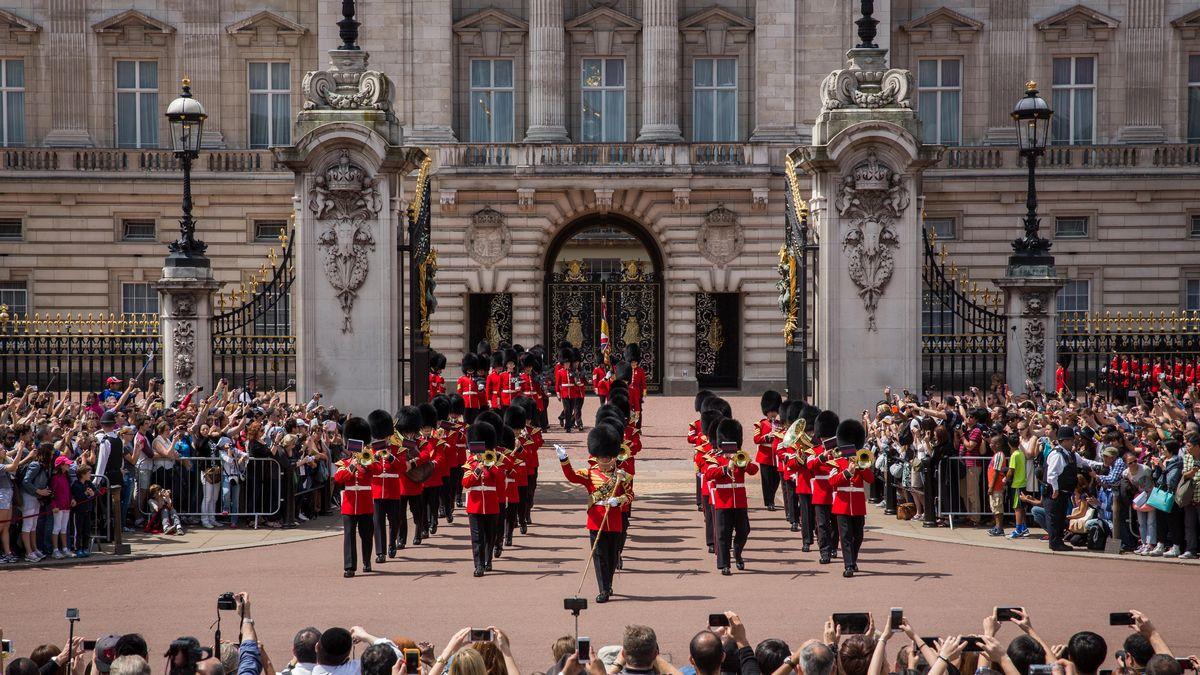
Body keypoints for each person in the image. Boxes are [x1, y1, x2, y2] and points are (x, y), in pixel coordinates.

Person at [556, 425, 629, 603]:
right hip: (596, 520)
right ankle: (603, 589)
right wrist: (564, 459)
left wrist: (617, 500)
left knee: (612, 557)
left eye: (607, 455)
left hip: (614, 520)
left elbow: (630, 495)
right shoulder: (589, 473)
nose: (604, 459)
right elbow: (572, 476)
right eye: (602, 455)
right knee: (599, 556)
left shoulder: (622, 475)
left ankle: (608, 584)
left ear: (613, 456)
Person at [705, 419, 758, 575]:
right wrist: (724, 468)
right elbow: (709, 474)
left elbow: (754, 470)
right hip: (723, 501)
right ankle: (724, 564)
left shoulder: (740, 456)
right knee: (723, 534)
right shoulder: (716, 458)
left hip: (740, 502)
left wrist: (744, 463)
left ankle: (738, 553)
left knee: (744, 530)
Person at [333, 417, 380, 577]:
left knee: (367, 535)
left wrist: (364, 463)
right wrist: (352, 465)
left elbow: (376, 469)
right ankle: (349, 566)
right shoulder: (343, 463)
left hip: (365, 503)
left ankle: (366, 561)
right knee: (349, 535)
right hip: (349, 504)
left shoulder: (368, 460)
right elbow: (339, 479)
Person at [828, 419, 874, 577]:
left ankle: (853, 560)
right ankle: (848, 565)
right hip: (842, 504)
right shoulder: (837, 462)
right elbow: (832, 481)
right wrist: (847, 472)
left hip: (858, 505)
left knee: (858, 536)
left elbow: (870, 479)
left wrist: (861, 468)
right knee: (846, 536)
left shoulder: (861, 461)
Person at [463, 422, 503, 576]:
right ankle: (479, 565)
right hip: (475, 506)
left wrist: (490, 465)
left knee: (490, 535)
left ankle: (488, 560)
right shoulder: (470, 464)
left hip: (491, 505)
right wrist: (478, 469)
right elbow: (465, 483)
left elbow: (500, 479)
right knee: (477, 537)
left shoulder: (493, 462)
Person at [366, 410, 403, 563]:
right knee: (378, 522)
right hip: (377, 491)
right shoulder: (370, 451)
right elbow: (367, 470)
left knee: (394, 521)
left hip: (393, 490)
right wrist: (374, 459)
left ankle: (392, 543)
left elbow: (401, 468)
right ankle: (380, 552)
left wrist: (391, 458)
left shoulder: (396, 449)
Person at [807, 411, 841, 565]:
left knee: (835, 523)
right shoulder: (814, 451)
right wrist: (822, 457)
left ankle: (833, 547)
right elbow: (809, 466)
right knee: (822, 524)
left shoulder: (839, 450)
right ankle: (825, 552)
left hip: (835, 490)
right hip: (821, 491)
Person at [753, 391, 782, 511]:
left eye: (775, 411)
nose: (773, 414)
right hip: (765, 456)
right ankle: (769, 501)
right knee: (767, 481)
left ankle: (772, 497)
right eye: (771, 411)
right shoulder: (760, 424)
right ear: (767, 411)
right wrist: (768, 436)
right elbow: (756, 439)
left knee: (776, 481)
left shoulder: (781, 424)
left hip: (776, 457)